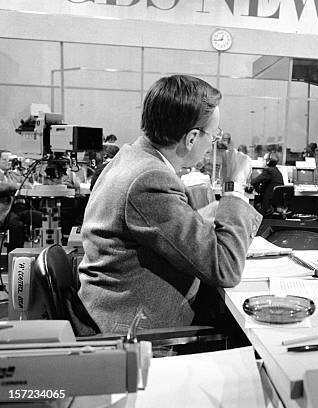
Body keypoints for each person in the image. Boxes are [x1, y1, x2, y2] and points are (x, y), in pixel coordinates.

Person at [78, 75, 262, 333]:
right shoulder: (150, 180)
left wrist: (204, 215)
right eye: (214, 134)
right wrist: (235, 188)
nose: (213, 143)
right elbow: (225, 268)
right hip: (138, 332)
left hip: (113, 311)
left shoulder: (131, 158)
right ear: (191, 138)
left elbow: (162, 225)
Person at [251, 152, 284, 216]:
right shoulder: (277, 171)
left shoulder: (268, 170)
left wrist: (257, 189)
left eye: (264, 160)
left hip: (267, 206)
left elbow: (254, 182)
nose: (263, 162)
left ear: (268, 161)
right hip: (274, 206)